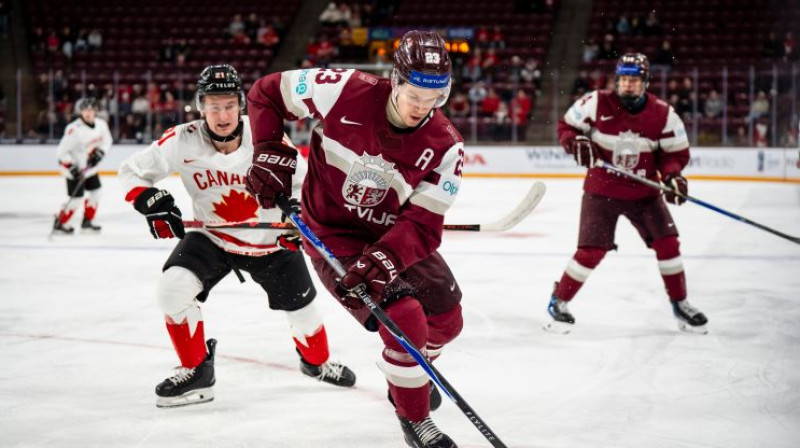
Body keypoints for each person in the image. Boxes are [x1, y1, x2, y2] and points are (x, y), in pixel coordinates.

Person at [245, 31, 464, 447]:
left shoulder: (447, 145)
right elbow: (265, 93)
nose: (422, 107)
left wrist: (385, 257)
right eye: (414, 93)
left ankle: (411, 374)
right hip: (331, 231)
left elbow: (422, 223)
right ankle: (414, 417)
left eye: (433, 97)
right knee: (406, 320)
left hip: (391, 235)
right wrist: (268, 147)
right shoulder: (344, 88)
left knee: (447, 319)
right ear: (396, 81)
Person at [118, 64, 356, 408]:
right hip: (213, 238)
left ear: (242, 106)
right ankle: (196, 370)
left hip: (270, 243)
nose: (222, 114)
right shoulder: (182, 139)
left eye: (229, 104)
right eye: (213, 105)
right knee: (171, 290)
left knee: (305, 312)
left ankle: (316, 364)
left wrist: (300, 223)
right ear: (200, 106)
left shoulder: (268, 139)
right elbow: (131, 171)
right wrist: (147, 199)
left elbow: (307, 187)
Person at [545, 53, 709, 335]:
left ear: (645, 82)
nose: (628, 85)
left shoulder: (663, 114)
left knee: (668, 244)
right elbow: (566, 127)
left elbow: (675, 153)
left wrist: (672, 175)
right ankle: (558, 301)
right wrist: (575, 142)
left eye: (634, 80)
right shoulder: (596, 102)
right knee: (591, 251)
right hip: (601, 192)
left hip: (645, 193)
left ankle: (680, 303)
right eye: (623, 79)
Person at [52, 97, 111, 234]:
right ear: (81, 112)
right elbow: (61, 152)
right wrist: (72, 167)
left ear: (96, 111)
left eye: (91, 110)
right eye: (85, 110)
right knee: (76, 199)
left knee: (96, 193)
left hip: (90, 169)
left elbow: (107, 141)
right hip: (74, 170)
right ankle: (60, 222)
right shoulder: (74, 129)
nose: (88, 113)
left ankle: (87, 222)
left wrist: (100, 153)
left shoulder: (101, 125)